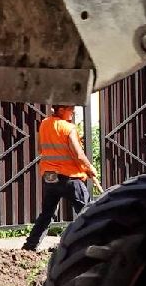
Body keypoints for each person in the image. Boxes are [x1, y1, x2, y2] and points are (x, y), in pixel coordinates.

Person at [24, 105, 97, 251]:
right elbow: (78, 155)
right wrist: (90, 168)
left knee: (47, 213)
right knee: (88, 213)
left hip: (50, 176)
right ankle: (90, 245)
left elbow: (40, 149)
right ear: (61, 109)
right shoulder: (68, 128)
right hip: (69, 177)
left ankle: (30, 246)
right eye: (71, 108)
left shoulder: (44, 124)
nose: (73, 111)